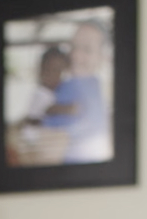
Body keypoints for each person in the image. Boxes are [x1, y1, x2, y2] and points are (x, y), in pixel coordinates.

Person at [43, 20, 112, 163]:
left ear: (102, 57)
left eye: (87, 49)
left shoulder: (102, 91)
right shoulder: (64, 86)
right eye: (73, 47)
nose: (76, 56)